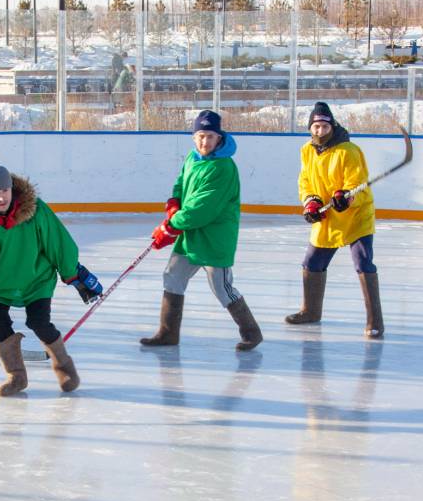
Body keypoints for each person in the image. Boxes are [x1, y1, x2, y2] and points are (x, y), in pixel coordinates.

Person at [0, 164, 103, 396]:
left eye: (5, 189)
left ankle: (64, 365)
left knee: (39, 322)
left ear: (12, 188)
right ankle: (16, 377)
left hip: (37, 281)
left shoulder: (35, 211)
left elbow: (58, 244)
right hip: (0, 287)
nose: (1, 197)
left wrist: (73, 274)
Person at [141, 109, 262, 351]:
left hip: (214, 236)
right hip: (190, 234)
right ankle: (167, 333)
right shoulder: (192, 157)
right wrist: (174, 203)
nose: (204, 141)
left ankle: (251, 332)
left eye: (209, 136)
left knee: (222, 288)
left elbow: (202, 208)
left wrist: (171, 226)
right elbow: (181, 182)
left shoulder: (223, 168)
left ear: (219, 138)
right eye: (200, 136)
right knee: (173, 276)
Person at [285, 101, 383, 338]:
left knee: (362, 261)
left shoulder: (348, 150)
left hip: (356, 215)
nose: (319, 131)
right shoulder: (307, 150)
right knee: (312, 262)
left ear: (332, 126)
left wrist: (344, 197)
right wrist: (311, 201)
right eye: (315, 127)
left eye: (324, 127)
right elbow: (305, 181)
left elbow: (356, 183)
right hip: (328, 218)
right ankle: (310, 311)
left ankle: (375, 321)